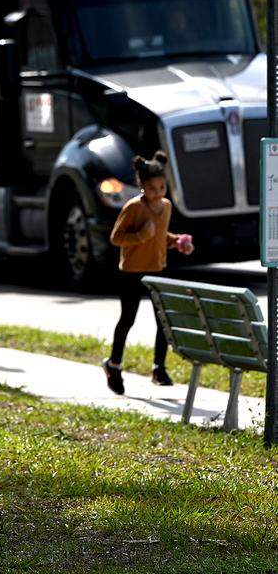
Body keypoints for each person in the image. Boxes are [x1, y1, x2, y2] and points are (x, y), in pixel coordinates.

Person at [102, 151, 194, 395]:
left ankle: (158, 368)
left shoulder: (166, 206)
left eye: (162, 186)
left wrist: (178, 242)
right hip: (132, 272)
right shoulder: (133, 208)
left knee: (162, 321)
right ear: (141, 185)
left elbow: (161, 236)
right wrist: (139, 236)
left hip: (157, 271)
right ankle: (114, 365)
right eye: (152, 188)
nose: (158, 192)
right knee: (128, 320)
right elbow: (116, 238)